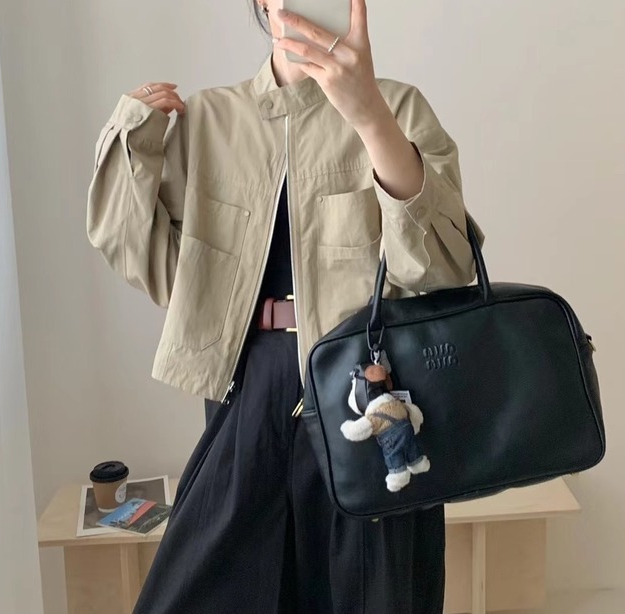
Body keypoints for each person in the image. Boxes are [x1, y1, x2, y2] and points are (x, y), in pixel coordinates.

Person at [86, 0, 485, 612]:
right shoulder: (210, 119)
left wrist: (369, 116)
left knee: (370, 591)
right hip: (247, 383)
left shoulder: (398, 107)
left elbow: (444, 267)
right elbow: (156, 265)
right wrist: (128, 140)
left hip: (369, 389)